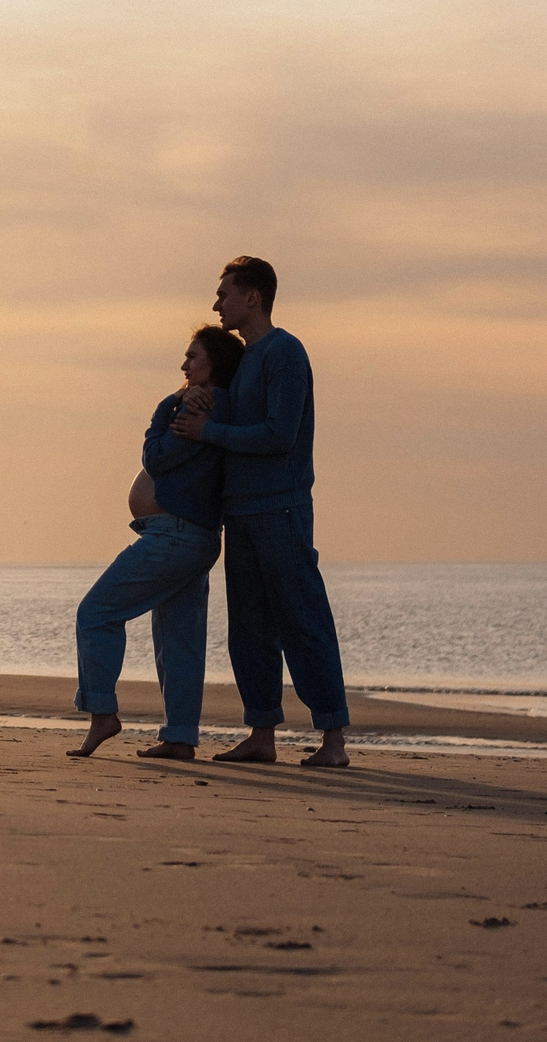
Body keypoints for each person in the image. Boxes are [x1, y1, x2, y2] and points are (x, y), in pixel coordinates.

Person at [172, 255, 353, 768]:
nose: (217, 303)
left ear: (252, 297)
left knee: (302, 619)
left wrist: (211, 432)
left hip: (283, 509)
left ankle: (333, 739)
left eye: (224, 292)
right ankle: (261, 734)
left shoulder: (285, 352)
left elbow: (281, 434)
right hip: (241, 513)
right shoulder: (243, 359)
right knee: (248, 628)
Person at [67, 325, 244, 762]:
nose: (184, 365)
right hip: (194, 537)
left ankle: (102, 713)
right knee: (179, 639)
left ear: (213, 365)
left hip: (175, 536)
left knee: (96, 613)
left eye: (193, 357)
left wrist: (168, 409)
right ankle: (181, 737)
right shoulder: (223, 407)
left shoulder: (191, 410)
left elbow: (157, 457)